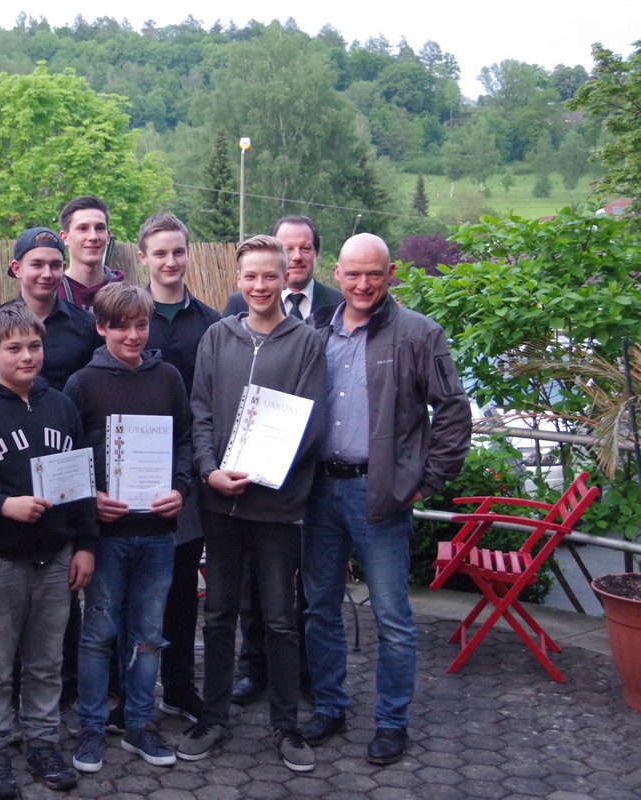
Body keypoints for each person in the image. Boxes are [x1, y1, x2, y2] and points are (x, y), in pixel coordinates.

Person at [300, 233, 470, 766]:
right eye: (353, 274)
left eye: (374, 273)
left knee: (393, 617)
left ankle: (392, 722)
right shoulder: (314, 331)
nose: (363, 284)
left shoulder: (419, 333)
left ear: (390, 274)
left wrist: (426, 480)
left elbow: (454, 411)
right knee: (320, 609)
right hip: (318, 491)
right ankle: (330, 706)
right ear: (337, 273)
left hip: (380, 494)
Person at [178, 235, 328, 773]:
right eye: (251, 276)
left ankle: (286, 726)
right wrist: (210, 471)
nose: (260, 286)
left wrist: (265, 474)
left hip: (277, 507)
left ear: (286, 278)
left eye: (270, 276)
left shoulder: (306, 343)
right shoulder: (218, 337)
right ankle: (213, 717)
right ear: (237, 280)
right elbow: (200, 413)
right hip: (220, 503)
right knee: (219, 614)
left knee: (281, 619)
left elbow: (311, 422)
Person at [0, 302, 96, 798]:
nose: (27, 356)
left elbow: (81, 479)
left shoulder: (61, 405)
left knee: (46, 660)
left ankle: (42, 741)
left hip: (56, 555)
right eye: (14, 349)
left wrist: (85, 544)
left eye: (34, 346)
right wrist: (2, 504)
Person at [64, 283, 192, 774]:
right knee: (98, 634)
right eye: (121, 327)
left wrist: (181, 486)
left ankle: (139, 724)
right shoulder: (82, 383)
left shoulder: (168, 378)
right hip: (107, 537)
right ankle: (92, 728)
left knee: (148, 635)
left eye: (141, 325)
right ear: (101, 327)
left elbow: (185, 439)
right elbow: (67, 452)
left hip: (158, 531)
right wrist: (89, 497)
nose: (134, 335)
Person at [221, 214, 339, 706]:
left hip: (303, 473)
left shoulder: (335, 303)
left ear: (314, 253)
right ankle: (254, 669)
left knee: (307, 585)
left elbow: (317, 404)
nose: (295, 257)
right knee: (255, 587)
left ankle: (304, 674)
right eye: (287, 248)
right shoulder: (235, 312)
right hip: (243, 478)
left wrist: (282, 463)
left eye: (303, 248)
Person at [137, 214, 219, 725]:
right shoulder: (127, 316)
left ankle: (180, 684)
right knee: (129, 584)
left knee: (184, 585)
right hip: (128, 473)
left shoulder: (211, 323)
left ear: (189, 254)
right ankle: (128, 689)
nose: (170, 261)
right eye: (160, 253)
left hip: (185, 473)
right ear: (142, 257)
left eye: (178, 252)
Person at [56, 196, 125, 311]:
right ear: (64, 238)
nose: (93, 237)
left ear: (108, 236)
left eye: (99, 228)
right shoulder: (51, 294)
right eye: (83, 228)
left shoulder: (126, 296)